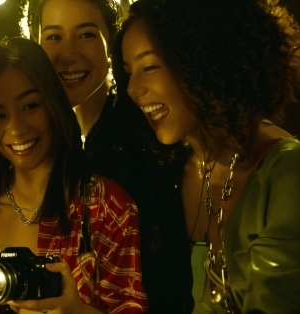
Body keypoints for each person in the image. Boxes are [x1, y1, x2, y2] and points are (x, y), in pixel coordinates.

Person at [0, 37, 149, 314]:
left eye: (30, 106)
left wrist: (75, 310)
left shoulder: (106, 208)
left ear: (52, 103)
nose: (17, 128)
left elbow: (130, 307)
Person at [114, 0, 300, 312]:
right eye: (128, 72)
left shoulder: (286, 173)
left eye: (150, 67)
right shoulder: (165, 175)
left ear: (204, 60)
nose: (133, 89)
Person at [31, 0, 193, 312]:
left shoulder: (144, 141)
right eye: (53, 37)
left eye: (86, 35)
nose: (68, 54)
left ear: (112, 45)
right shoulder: (41, 144)